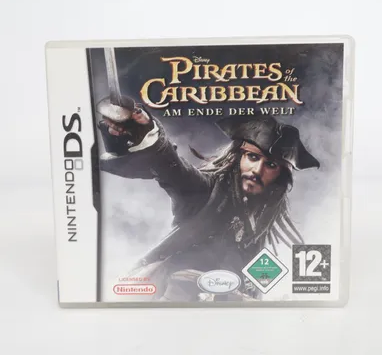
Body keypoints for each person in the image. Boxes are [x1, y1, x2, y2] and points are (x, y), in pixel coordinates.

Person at [98, 100, 320, 301]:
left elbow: (253, 283)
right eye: (252, 157)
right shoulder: (206, 191)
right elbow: (172, 167)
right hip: (172, 302)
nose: (256, 170)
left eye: (271, 165)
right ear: (238, 157)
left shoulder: (261, 222)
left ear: (280, 176)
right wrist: (144, 130)